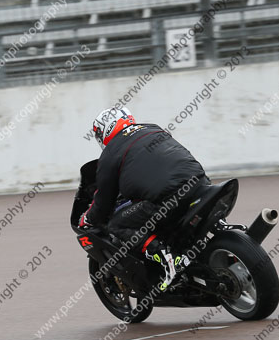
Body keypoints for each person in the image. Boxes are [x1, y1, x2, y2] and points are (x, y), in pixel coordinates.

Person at [78, 107, 209, 291]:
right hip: (201, 184)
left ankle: (165, 256)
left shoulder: (110, 154)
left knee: (117, 224)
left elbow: (103, 202)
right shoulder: (153, 129)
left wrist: (88, 218)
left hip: (167, 200)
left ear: (105, 131)